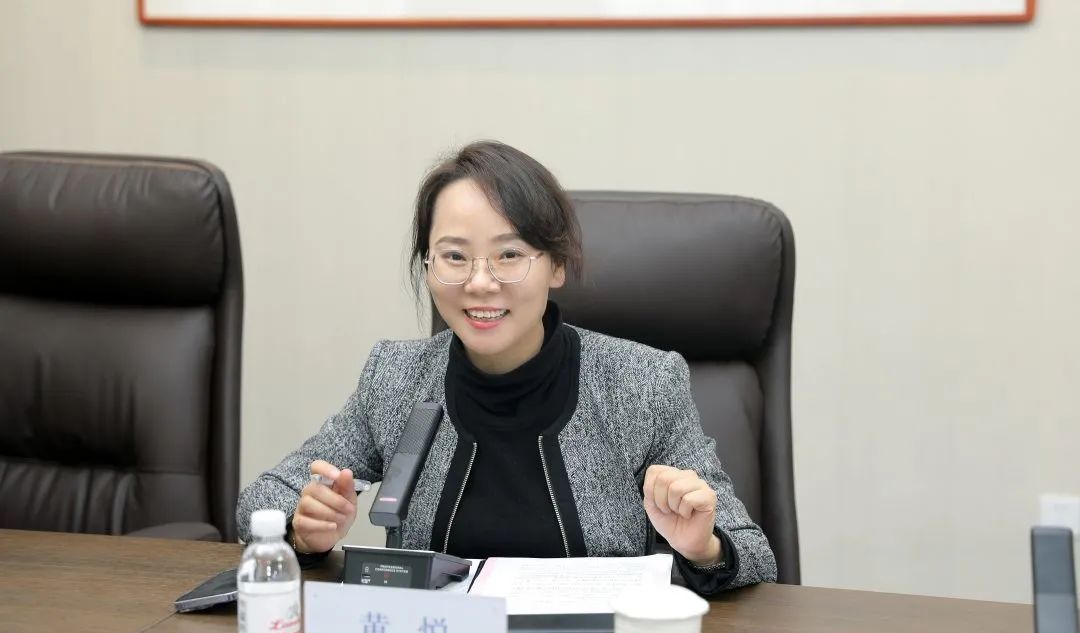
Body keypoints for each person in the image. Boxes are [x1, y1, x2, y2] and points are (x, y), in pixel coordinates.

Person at [236, 140, 777, 594]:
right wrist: (303, 530)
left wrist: (702, 547)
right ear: (427, 266)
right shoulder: (396, 379)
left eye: (510, 255)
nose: (479, 282)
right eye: (454, 256)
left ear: (556, 265)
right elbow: (261, 500)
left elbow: (753, 553)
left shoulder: (642, 384)